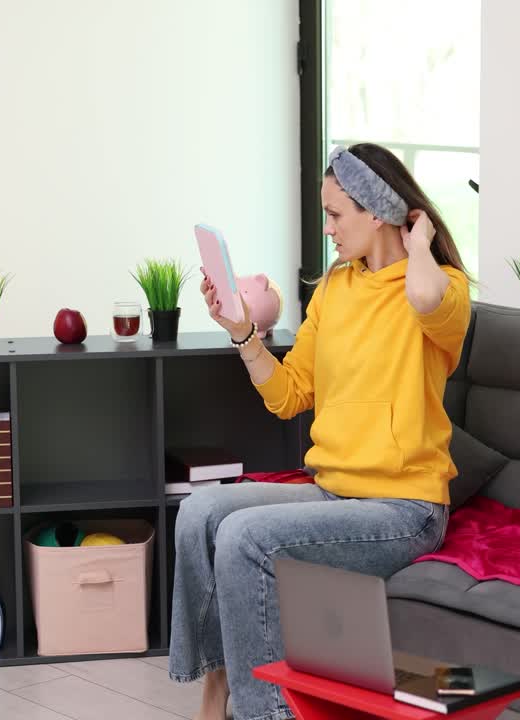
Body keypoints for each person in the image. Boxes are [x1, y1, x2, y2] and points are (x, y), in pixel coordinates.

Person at [167, 142, 474, 720]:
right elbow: (288, 396)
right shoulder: (334, 288)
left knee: (243, 538)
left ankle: (265, 714)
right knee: (199, 512)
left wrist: (422, 240)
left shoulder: (441, 288)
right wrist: (241, 332)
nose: (327, 228)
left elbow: (427, 296)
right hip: (334, 489)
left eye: (336, 214)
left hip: (404, 510)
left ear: (377, 211)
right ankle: (220, 681)